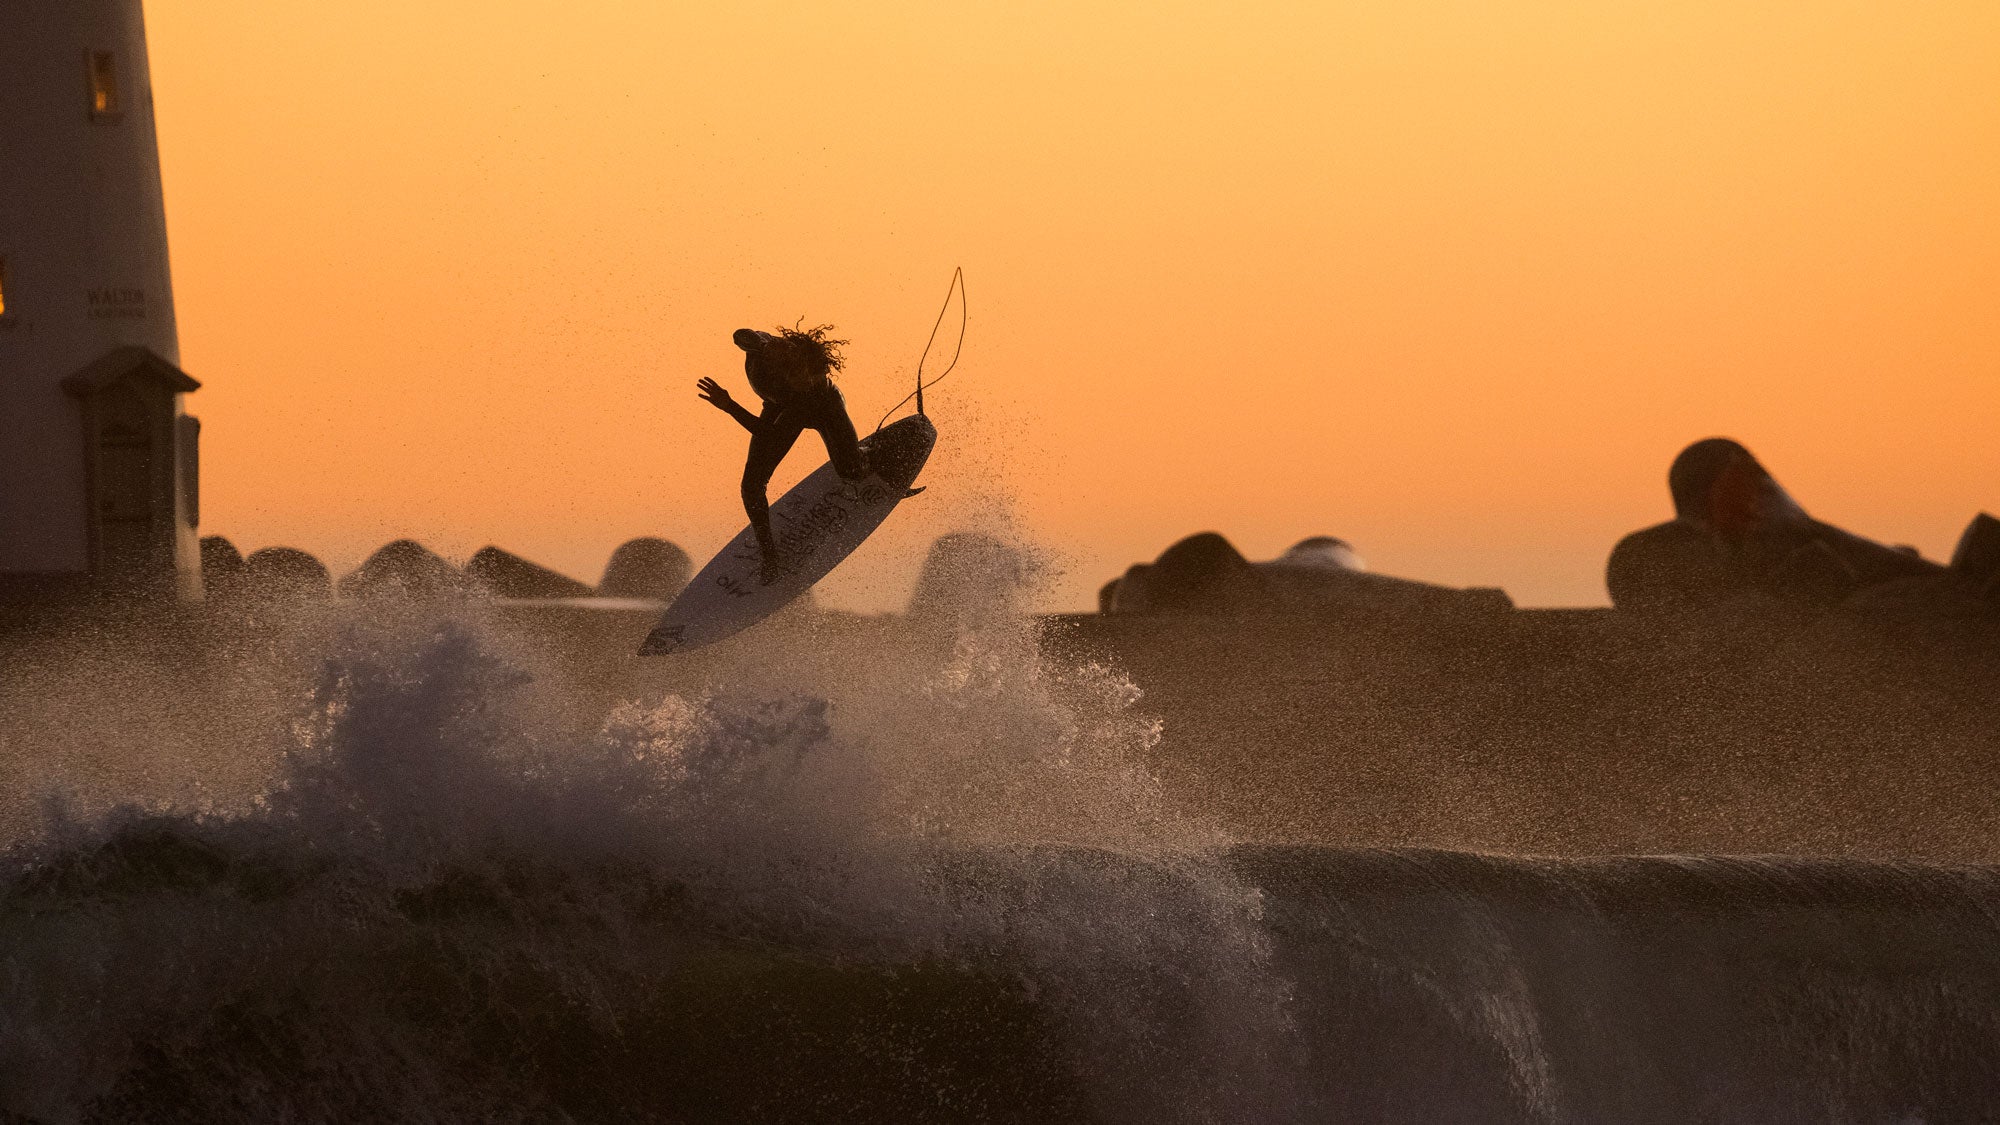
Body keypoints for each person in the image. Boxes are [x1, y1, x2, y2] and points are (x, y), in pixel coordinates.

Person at [696, 325, 869, 571]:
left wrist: (729, 405)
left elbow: (770, 435)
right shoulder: (770, 355)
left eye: (810, 378)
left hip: (825, 408)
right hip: (778, 407)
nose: (806, 381)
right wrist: (751, 341)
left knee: (851, 471)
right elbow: (743, 335)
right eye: (800, 378)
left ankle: (870, 455)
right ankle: (769, 557)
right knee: (751, 486)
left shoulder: (809, 393)